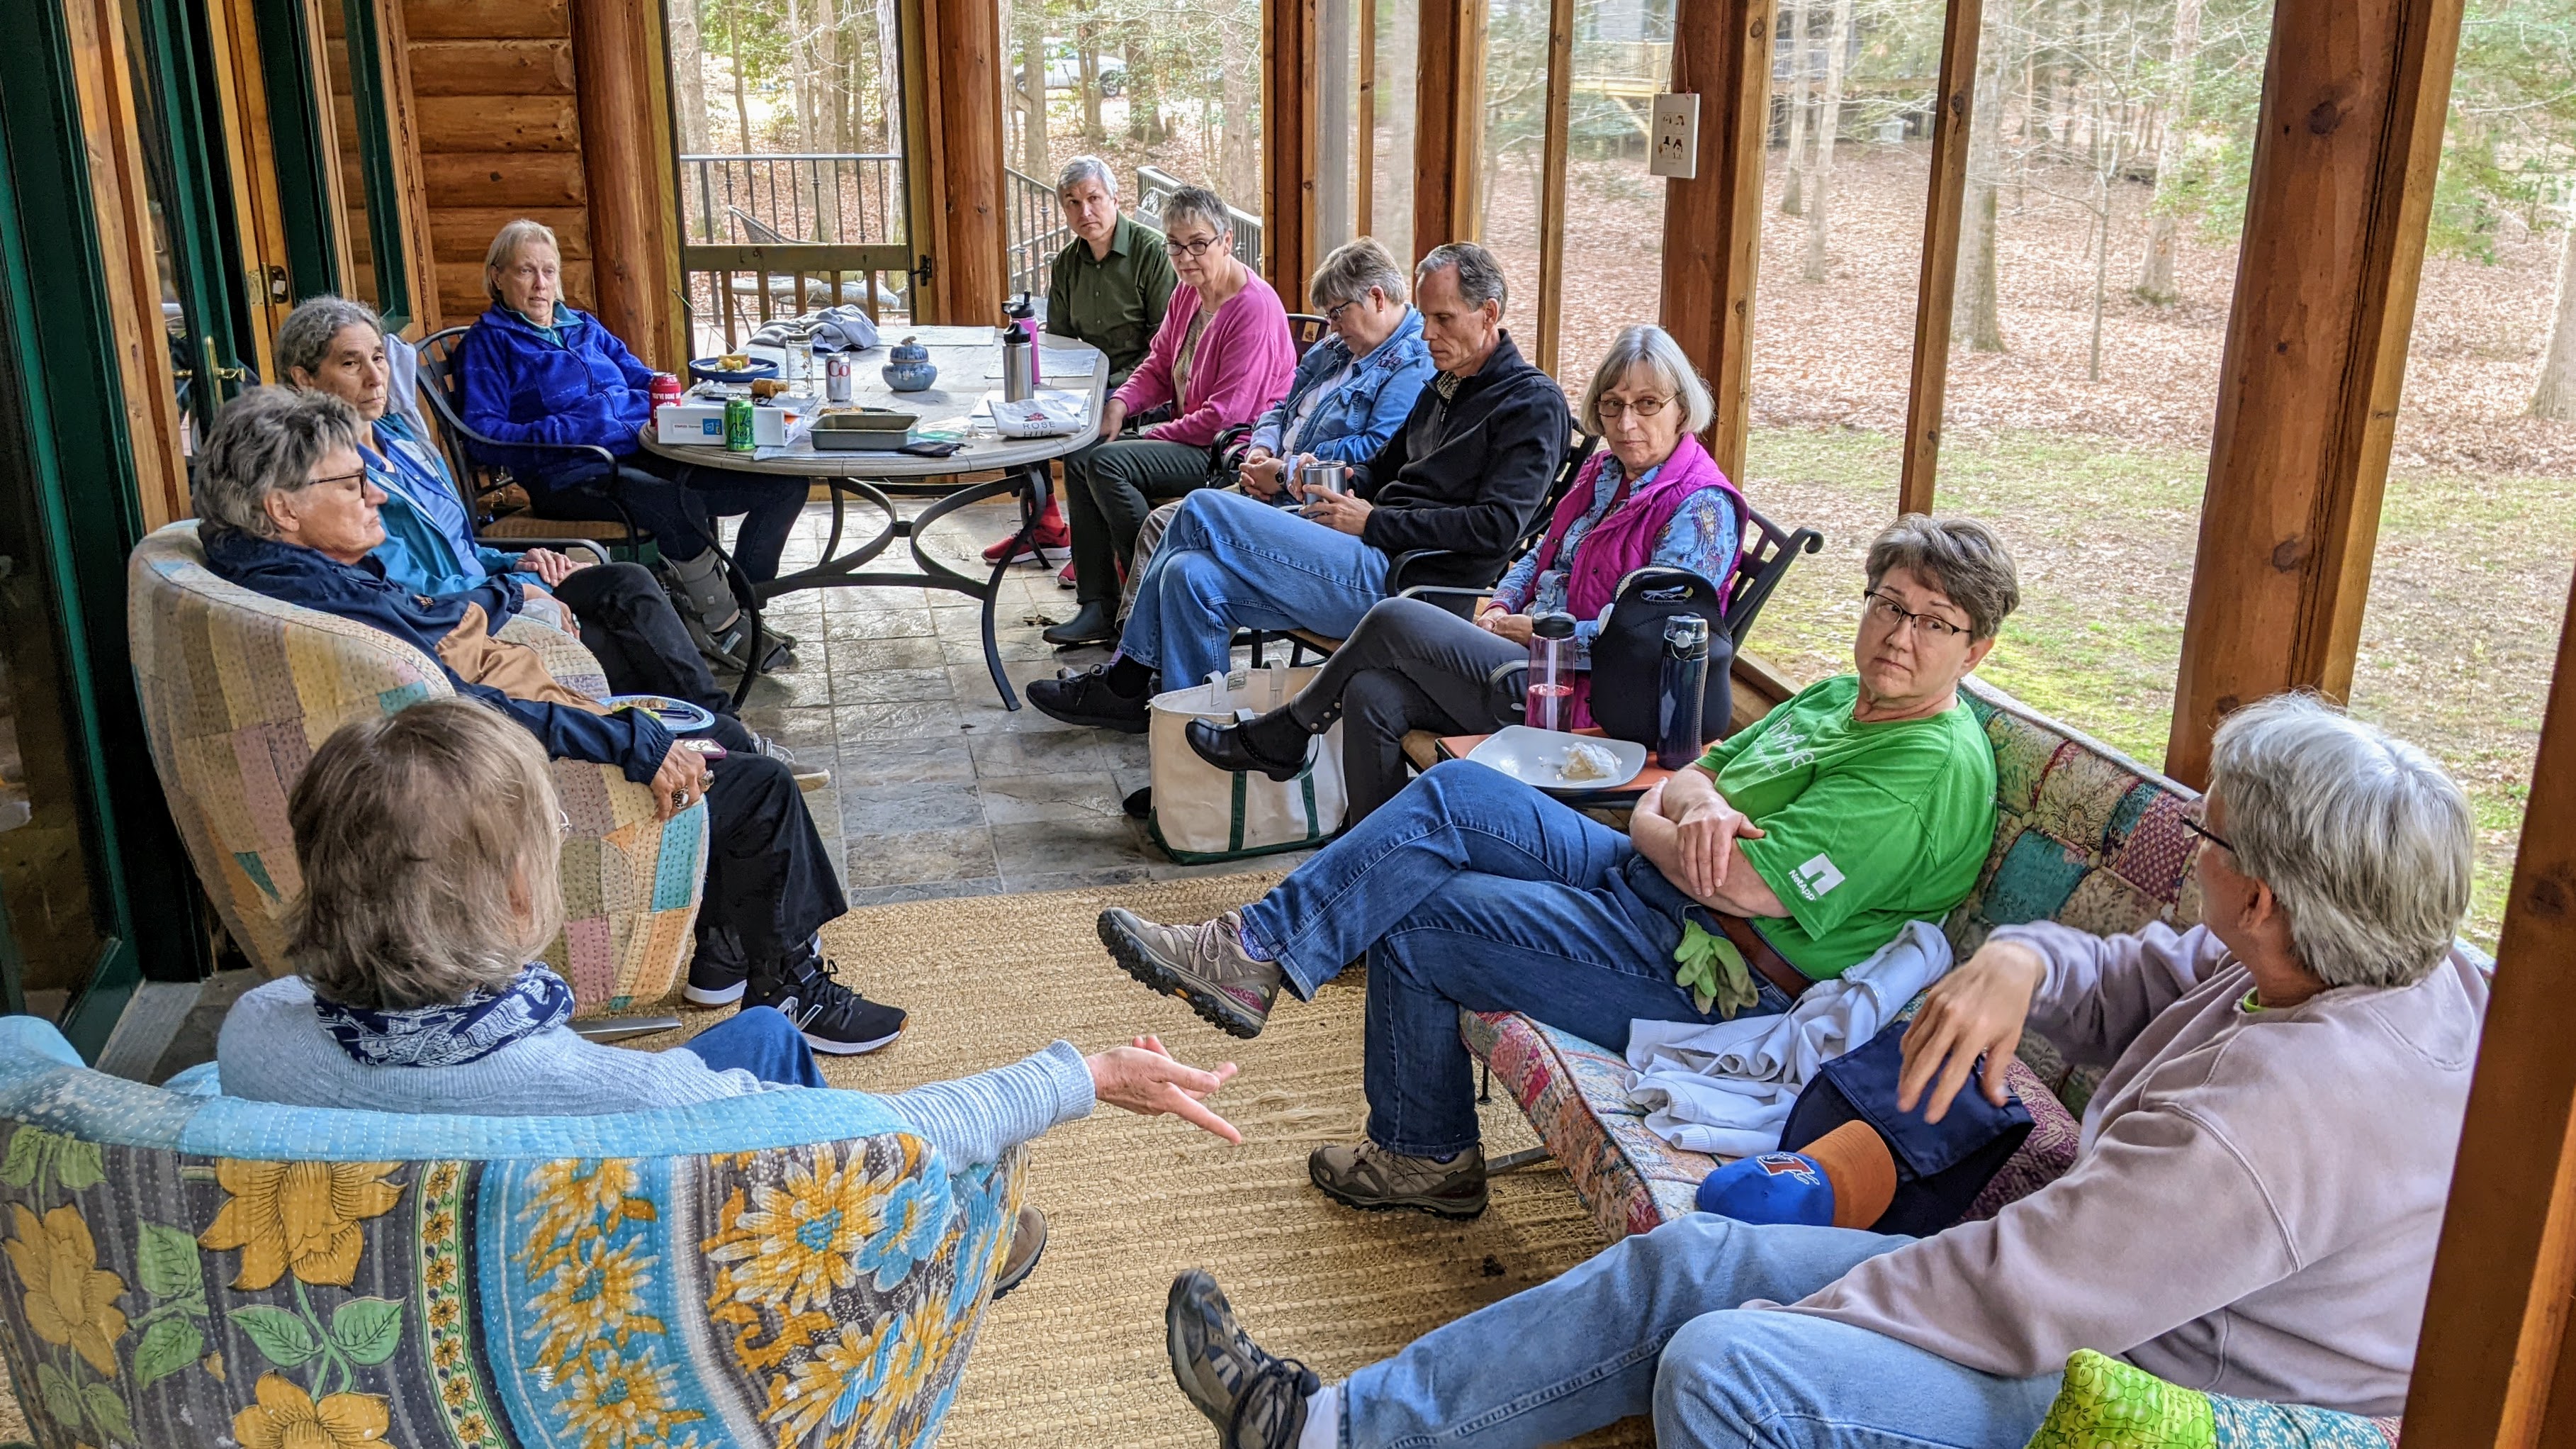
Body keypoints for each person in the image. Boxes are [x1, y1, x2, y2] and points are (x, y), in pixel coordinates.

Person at [1158, 691, 2486, 1449]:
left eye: (2216, 838)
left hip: (2158, 1397)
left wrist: (1822, 1303)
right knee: (1694, 1261)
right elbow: (2149, 969)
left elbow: (2035, 1290)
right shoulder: (2356, 952)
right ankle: (1328, 1431)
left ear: (2269, 894)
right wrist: (2022, 957)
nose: (2195, 846)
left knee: (1730, 1364)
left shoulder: (2285, 1114)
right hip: (2090, 1297)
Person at [1096, 515, 2018, 1216]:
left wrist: (1681, 818)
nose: (1899, 636)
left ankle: (1425, 1154)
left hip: (1716, 973)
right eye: (1889, 605)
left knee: (1418, 917)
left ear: (1972, 650)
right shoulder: (1832, 698)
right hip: (1649, 882)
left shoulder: (1926, 766)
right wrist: (1688, 811)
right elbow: (1679, 785)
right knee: (1456, 793)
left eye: (1932, 624)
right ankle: (1252, 948)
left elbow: (1736, 885)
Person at [215, 697, 1248, 1302]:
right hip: (641, 1283)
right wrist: (1086, 1073)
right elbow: (886, 1127)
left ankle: (761, 996)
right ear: (519, 892)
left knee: (758, 1033)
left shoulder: (253, 1036)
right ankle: (909, 1247)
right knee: (821, 1128)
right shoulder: (619, 1096)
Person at [191, 387, 892, 1048]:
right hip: (483, 805)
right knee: (758, 785)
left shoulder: (277, 572)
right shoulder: (329, 614)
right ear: (282, 507)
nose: (375, 492)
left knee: (693, 715)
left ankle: (723, 950)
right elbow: (463, 711)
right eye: (351, 483)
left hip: (447, 778)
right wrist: (626, 738)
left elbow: (437, 658)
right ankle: (791, 989)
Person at [1187, 323, 1742, 821]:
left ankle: (1285, 734)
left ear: (1681, 409)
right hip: (1529, 662)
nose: (1626, 422)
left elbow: (1660, 643)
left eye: (1646, 404)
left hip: (1589, 696)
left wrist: (1552, 635)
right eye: (1613, 404)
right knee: (1372, 691)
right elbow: (1538, 556)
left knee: (1395, 617)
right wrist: (1501, 604)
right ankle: (1370, 856)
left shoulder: (1700, 508)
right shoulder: (1603, 472)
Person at [1028, 242, 1571, 732]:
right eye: (1426, 317)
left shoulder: (1530, 403)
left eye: (1442, 318)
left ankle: (1125, 680)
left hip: (1412, 584)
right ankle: (1194, 757)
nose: (1427, 333)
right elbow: (1381, 468)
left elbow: (1497, 528)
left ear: (1490, 314)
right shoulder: (1447, 382)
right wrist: (1324, 480)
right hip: (1362, 544)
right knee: (1185, 576)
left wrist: (1373, 521)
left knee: (1201, 510)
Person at [273, 296, 819, 782]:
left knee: (627, 582)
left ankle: (726, 736)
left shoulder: (402, 440)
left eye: (376, 358)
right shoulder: (333, 481)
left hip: (491, 584)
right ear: (303, 379)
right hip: (458, 618)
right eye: (350, 364)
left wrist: (517, 561)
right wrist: (513, 590)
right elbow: (396, 582)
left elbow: (459, 541)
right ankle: (731, 752)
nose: (376, 378)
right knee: (625, 638)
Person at [451, 218, 806, 666]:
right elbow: (483, 436)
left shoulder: (582, 326)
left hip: (643, 450)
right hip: (569, 475)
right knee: (673, 504)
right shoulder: (488, 345)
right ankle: (722, 626)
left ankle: (742, 609)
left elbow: (642, 377)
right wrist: (579, 425)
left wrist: (679, 395)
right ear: (497, 277)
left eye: (548, 270)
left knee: (781, 485)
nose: (540, 284)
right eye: (525, 271)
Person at [1109, 237, 1436, 632]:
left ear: (1377, 298)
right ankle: (1137, 652)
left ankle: (1133, 661)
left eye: (1337, 314)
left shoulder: (1414, 362)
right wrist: (1261, 451)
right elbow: (1280, 406)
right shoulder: (1338, 348)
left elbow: (1374, 451)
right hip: (1272, 480)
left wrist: (1287, 470)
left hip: (1318, 501)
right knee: (1164, 524)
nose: (1331, 327)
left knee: (1190, 525)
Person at [1042, 186, 1295, 647]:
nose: (1185, 257)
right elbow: (1159, 365)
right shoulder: (1187, 295)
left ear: (1227, 240)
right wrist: (1119, 406)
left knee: (1108, 462)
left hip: (1232, 453)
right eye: (1175, 245)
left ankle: (1152, 601)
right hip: (1190, 439)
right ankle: (1099, 604)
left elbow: (1225, 415)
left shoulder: (1252, 307)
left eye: (1198, 244)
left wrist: (1149, 432)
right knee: (1083, 457)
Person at [982, 156, 1181, 566]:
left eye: (1094, 198)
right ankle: (1046, 525)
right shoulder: (1068, 261)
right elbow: (1059, 339)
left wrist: (1113, 389)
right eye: (1072, 202)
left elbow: (1166, 342)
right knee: (1018, 412)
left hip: (1137, 384)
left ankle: (1097, 550)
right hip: (1083, 382)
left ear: (1114, 197)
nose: (1084, 211)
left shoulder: (1152, 252)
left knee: (1080, 440)